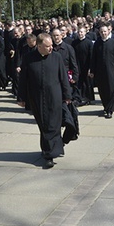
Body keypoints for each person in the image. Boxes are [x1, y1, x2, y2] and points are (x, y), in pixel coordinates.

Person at [18, 33, 72, 169]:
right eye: (47, 46)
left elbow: (63, 77)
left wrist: (68, 95)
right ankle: (48, 150)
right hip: (37, 98)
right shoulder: (29, 58)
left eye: (52, 45)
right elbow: (24, 79)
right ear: (39, 46)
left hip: (55, 97)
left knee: (53, 125)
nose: (51, 48)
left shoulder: (57, 57)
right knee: (44, 126)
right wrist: (21, 97)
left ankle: (50, 155)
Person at [89, 23, 114, 119]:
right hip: (100, 71)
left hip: (111, 71)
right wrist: (92, 71)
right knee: (102, 90)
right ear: (99, 33)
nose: (103, 33)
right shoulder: (97, 43)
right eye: (101, 32)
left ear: (108, 31)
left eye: (105, 31)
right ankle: (106, 107)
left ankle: (110, 110)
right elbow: (93, 58)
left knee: (111, 90)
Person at [72, 25, 94, 106]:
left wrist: (90, 68)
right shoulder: (74, 43)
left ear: (85, 32)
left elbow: (91, 56)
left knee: (87, 82)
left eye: (82, 32)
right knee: (79, 82)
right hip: (77, 65)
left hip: (86, 65)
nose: (80, 33)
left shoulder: (89, 43)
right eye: (79, 32)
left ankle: (88, 98)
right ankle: (79, 98)